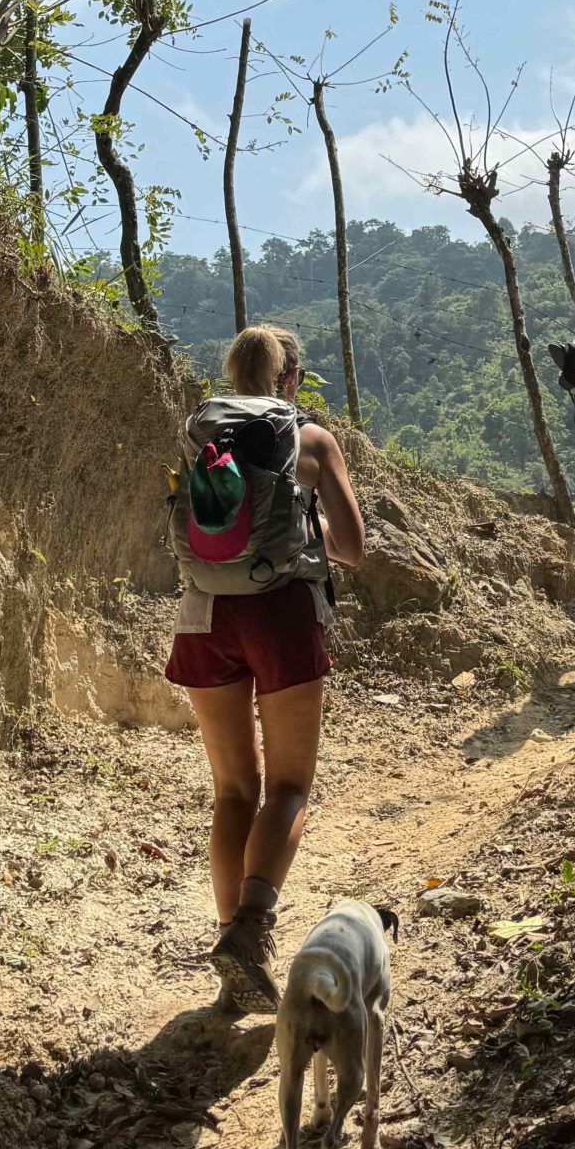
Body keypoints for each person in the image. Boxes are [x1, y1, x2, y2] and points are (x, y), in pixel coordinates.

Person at [164, 323, 365, 1012]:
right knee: (288, 788)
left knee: (230, 793)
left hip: (203, 615)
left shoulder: (197, 432)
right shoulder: (310, 439)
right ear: (290, 378)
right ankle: (251, 928)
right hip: (281, 615)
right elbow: (355, 549)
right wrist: (308, 531)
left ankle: (230, 954)